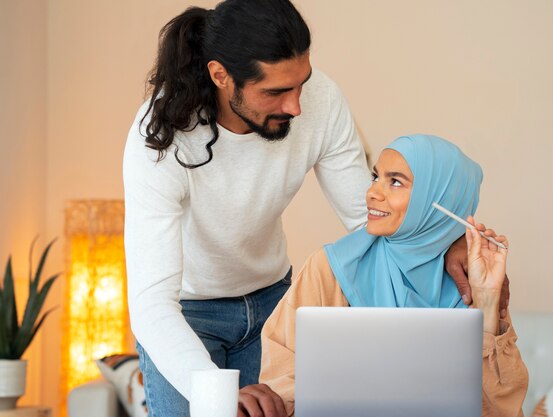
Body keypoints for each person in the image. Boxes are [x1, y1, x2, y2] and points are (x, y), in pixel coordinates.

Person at [122, 1, 506, 416]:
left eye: (301, 83)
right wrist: (212, 389)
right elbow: (152, 303)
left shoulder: (321, 98)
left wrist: (442, 243)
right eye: (275, 92)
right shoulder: (160, 138)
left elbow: (368, 219)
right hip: (185, 313)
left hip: (273, 302)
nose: (296, 107)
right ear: (221, 75)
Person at [260, 134, 529, 417]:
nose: (372, 192)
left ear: (438, 199)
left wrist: (487, 300)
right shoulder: (330, 267)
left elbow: (501, 408)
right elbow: (280, 370)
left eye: (396, 181)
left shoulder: (473, 279)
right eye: (376, 176)